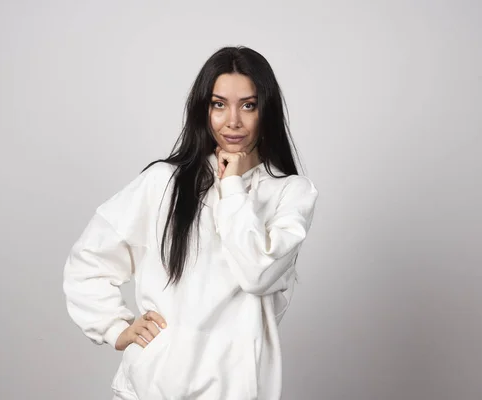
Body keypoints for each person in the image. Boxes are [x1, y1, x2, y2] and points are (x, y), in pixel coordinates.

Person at [63, 46, 319, 400]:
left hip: (237, 390)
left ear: (267, 110)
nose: (233, 121)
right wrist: (114, 327)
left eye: (248, 105)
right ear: (203, 109)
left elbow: (257, 274)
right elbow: (89, 260)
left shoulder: (291, 193)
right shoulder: (163, 182)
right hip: (151, 389)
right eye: (219, 104)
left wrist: (231, 186)